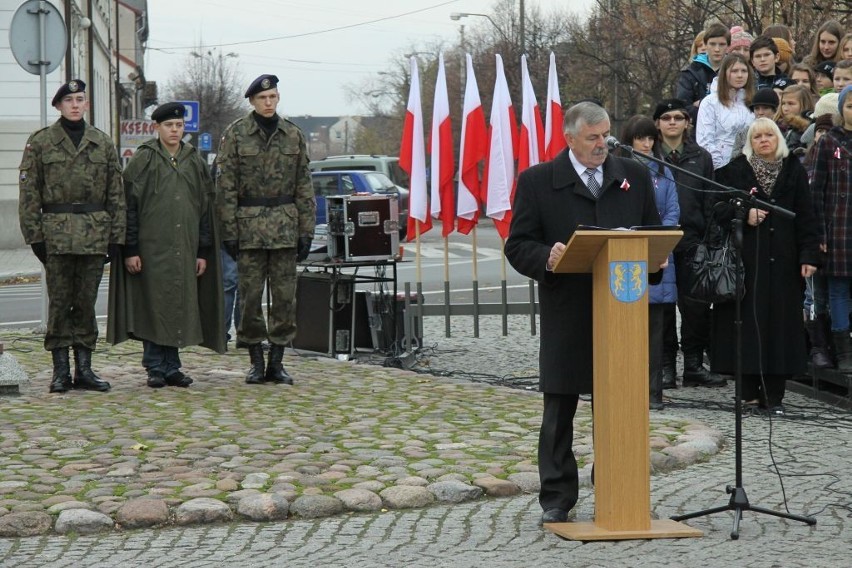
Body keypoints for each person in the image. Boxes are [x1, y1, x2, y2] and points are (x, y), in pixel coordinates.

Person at [505, 102, 663, 525]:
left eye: (606, 135)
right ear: (569, 138)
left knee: (620, 403)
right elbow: (517, 245)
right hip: (569, 311)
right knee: (561, 407)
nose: (602, 145)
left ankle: (615, 483)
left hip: (622, 309)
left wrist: (655, 257)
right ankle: (557, 496)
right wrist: (548, 257)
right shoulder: (538, 182)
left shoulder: (635, 176)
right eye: (592, 138)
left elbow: (651, 232)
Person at [107, 102, 225, 387]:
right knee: (152, 304)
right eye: (169, 126)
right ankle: (155, 366)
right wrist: (131, 249)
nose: (175, 130)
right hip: (151, 247)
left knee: (179, 304)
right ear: (157, 128)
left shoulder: (194, 159)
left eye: (179, 125)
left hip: (185, 247)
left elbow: (204, 208)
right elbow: (129, 206)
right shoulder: (144, 159)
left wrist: (203, 251)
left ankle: (173, 366)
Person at [18, 79, 125, 394]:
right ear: (58, 106)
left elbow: (116, 194)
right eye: (69, 100)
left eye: (80, 99)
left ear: (86, 104)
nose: (75, 105)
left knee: (87, 303)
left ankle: (86, 369)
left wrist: (116, 237)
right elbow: (28, 194)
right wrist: (35, 237)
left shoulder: (102, 143)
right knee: (60, 303)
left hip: (94, 234)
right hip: (57, 236)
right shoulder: (41, 142)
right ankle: (61, 371)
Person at [711, 118, 820, 415]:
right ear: (750, 141)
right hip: (747, 263)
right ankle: (746, 393)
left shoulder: (793, 170)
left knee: (781, 327)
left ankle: (774, 396)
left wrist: (809, 255)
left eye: (768, 135)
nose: (763, 140)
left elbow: (807, 215)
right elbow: (717, 209)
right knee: (745, 325)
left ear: (778, 138)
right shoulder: (734, 171)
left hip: (784, 262)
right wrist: (743, 214)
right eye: (757, 136)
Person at [217, 74, 316, 385]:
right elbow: (226, 187)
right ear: (252, 101)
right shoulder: (236, 135)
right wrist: (229, 231)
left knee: (285, 298)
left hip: (286, 227)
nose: (269, 102)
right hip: (249, 230)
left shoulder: (293, 135)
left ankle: (277, 361)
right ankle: (255, 361)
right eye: (263, 98)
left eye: (273, 97)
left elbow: (304, 186)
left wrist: (306, 231)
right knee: (249, 300)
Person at [653, 98, 726, 389]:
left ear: (688, 122)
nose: (673, 122)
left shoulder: (701, 157)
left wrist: (709, 238)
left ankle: (694, 365)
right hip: (658, 241)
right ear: (657, 123)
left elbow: (709, 199)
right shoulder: (648, 155)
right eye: (667, 117)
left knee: (696, 308)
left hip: (693, 240)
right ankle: (667, 366)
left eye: (679, 117)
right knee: (663, 308)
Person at [620, 115, 680, 409]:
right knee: (624, 330)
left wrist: (657, 243)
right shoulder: (617, 171)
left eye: (649, 138)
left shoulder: (664, 172)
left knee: (655, 333)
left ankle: (653, 393)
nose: (645, 143)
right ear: (628, 141)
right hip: (624, 256)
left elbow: (672, 214)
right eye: (639, 138)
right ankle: (624, 388)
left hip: (657, 256)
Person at [810, 85, 852, 372]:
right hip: (839, 227)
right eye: (849, 105)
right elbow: (817, 192)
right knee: (838, 290)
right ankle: (843, 352)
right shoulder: (829, 142)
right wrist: (820, 233)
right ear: (841, 109)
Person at [697, 53, 756, 170]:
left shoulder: (753, 102)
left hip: (749, 168)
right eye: (734, 71)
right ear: (724, 73)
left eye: (744, 71)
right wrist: (722, 168)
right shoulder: (710, 102)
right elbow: (705, 141)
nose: (740, 75)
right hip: (720, 168)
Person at [677, 23, 730, 123]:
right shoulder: (690, 73)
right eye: (712, 44)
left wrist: (702, 103)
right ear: (705, 45)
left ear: (728, 46)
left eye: (722, 44)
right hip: (696, 132)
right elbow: (683, 108)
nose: (717, 49)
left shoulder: (736, 71)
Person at [777, 85, 815, 156]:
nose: (785, 108)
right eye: (783, 103)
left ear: (804, 104)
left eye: (791, 104)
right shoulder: (777, 126)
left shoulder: (810, 130)